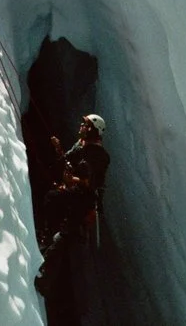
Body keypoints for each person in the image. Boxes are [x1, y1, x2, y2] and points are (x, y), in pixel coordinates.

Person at [35, 114, 110, 294]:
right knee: (57, 216)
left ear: (93, 129)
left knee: (62, 236)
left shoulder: (99, 155)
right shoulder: (81, 146)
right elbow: (66, 162)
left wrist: (74, 179)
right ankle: (45, 241)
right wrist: (59, 149)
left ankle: (44, 280)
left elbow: (92, 182)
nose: (81, 127)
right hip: (75, 196)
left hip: (83, 201)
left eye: (85, 125)